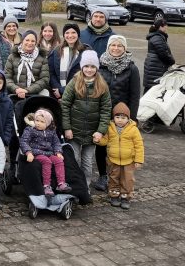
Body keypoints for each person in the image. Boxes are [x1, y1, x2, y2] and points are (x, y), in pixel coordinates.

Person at [95, 35, 140, 192]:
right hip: (103, 113)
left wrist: (132, 119)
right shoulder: (101, 66)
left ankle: (119, 177)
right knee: (101, 145)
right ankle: (102, 175)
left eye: (119, 46)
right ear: (108, 47)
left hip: (122, 117)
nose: (115, 48)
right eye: (112, 45)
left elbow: (135, 96)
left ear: (124, 48)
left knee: (120, 146)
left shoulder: (132, 68)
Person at [61, 51, 112, 189]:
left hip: (92, 132)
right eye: (86, 66)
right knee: (74, 159)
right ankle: (74, 184)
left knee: (87, 161)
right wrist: (67, 128)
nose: (89, 69)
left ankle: (85, 186)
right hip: (74, 130)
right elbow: (65, 105)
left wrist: (100, 131)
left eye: (92, 66)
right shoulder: (74, 82)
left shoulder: (102, 85)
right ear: (82, 67)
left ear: (97, 68)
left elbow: (106, 110)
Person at [94, 102, 144, 210]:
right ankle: (114, 196)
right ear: (114, 117)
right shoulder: (110, 128)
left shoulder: (133, 129)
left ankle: (125, 197)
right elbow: (105, 140)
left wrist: (138, 160)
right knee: (113, 178)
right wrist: (98, 140)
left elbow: (139, 145)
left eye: (123, 117)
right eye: (117, 117)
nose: (120, 120)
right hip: (113, 160)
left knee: (127, 179)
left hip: (129, 161)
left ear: (128, 118)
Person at [20, 109, 72, 196]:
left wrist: (58, 152)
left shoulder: (51, 131)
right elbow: (24, 141)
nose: (38, 123)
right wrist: (28, 152)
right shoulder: (30, 130)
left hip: (49, 152)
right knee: (46, 161)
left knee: (59, 161)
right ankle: (46, 186)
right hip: (36, 152)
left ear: (47, 123)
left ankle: (61, 183)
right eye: (37, 120)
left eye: (42, 122)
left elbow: (56, 143)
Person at [4, 30, 50, 99]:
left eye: (33, 41)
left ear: (36, 43)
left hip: (34, 94)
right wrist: (16, 89)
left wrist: (27, 90)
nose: (30, 43)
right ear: (22, 41)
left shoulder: (42, 58)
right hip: (14, 93)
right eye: (27, 40)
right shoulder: (12, 56)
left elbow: (44, 79)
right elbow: (7, 77)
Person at [48, 23, 89, 99]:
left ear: (78, 35)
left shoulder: (85, 51)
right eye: (67, 33)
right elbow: (51, 72)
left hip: (78, 93)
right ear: (64, 35)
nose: (70, 36)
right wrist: (57, 88)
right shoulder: (56, 51)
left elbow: (87, 75)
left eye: (73, 32)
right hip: (57, 93)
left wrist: (63, 90)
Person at [143, 18, 175, 93]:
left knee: (150, 88)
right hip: (156, 67)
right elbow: (164, 54)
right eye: (166, 25)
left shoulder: (157, 36)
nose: (167, 27)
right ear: (161, 27)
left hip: (154, 66)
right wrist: (172, 61)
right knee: (153, 89)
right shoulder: (157, 38)